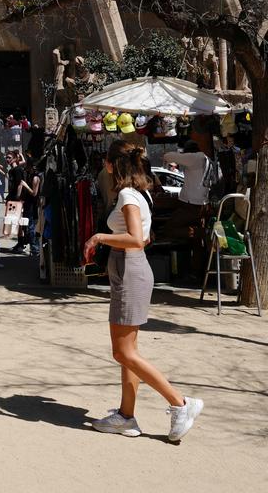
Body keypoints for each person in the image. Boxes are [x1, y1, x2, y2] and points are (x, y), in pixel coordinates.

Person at [83, 141, 203, 441]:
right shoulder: (141, 193)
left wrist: (100, 236)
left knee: (122, 352)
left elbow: (137, 239)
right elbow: (145, 238)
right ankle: (126, 415)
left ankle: (180, 402)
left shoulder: (126, 194)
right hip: (131, 269)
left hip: (129, 270)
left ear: (112, 164)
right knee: (128, 353)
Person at [162, 140, 215, 246]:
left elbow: (167, 156)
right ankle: (201, 234)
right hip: (201, 203)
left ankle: (205, 233)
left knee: (169, 228)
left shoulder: (194, 158)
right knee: (192, 239)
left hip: (191, 204)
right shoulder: (206, 159)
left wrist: (181, 156)